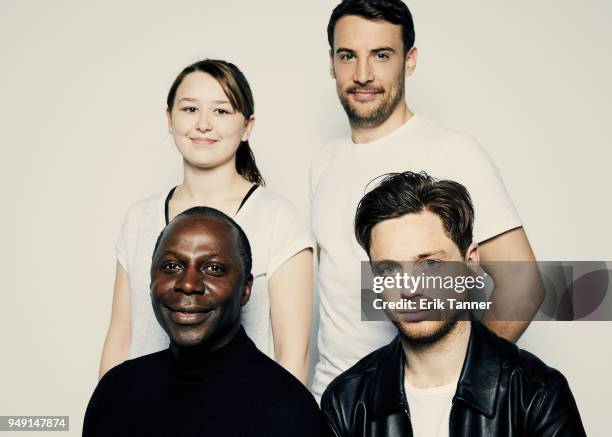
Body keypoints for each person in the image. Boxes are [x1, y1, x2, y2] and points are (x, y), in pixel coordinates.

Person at [310, 0, 542, 399]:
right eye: (348, 56)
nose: (362, 74)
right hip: (331, 402)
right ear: (331, 62)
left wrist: (456, 385)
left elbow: (523, 285)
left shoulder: (452, 152)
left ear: (409, 60)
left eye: (381, 55)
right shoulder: (325, 162)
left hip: (416, 407)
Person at [320, 172, 585, 436]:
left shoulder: (537, 396)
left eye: (430, 263)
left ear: (470, 262)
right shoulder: (346, 402)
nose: (410, 290)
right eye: (389, 269)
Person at [99, 59, 313, 383]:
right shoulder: (138, 219)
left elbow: (293, 356)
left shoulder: (278, 218)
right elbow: (120, 339)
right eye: (189, 109)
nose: (203, 124)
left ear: (247, 126)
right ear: (169, 119)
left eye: (221, 111)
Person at [84, 207, 327, 436]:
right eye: (171, 266)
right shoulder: (115, 391)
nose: (188, 284)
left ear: (245, 290)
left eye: (213, 268)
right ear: (150, 282)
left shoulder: (287, 409)